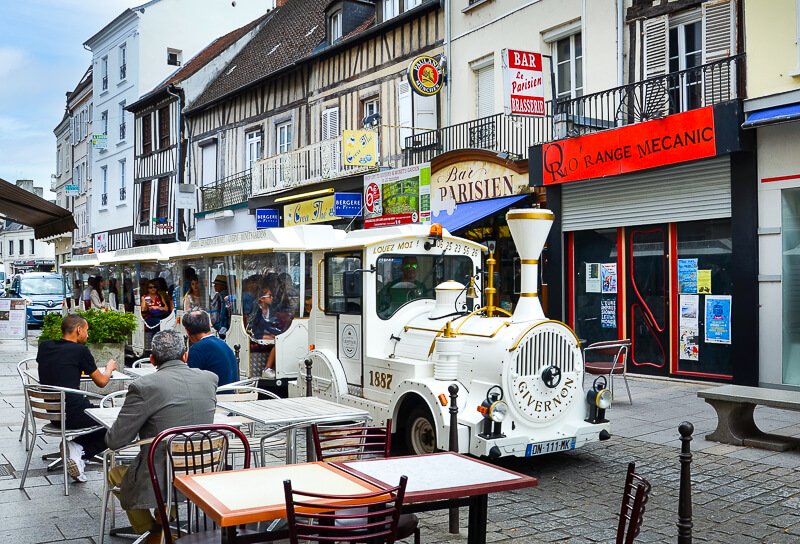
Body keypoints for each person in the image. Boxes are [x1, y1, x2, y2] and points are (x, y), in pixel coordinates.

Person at [105, 330, 217, 542]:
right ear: (185, 356)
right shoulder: (210, 379)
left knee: (115, 473)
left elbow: (115, 441)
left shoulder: (144, 386)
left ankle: (152, 532)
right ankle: (162, 519)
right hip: (204, 471)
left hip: (161, 476)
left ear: (152, 360)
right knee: (170, 459)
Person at [36, 314, 118, 482]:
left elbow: (58, 368)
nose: (87, 335)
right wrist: (109, 368)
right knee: (120, 422)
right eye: (86, 330)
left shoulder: (44, 347)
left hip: (54, 415)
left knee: (102, 414)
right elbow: (102, 382)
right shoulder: (80, 351)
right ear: (78, 330)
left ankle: (78, 453)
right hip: (74, 415)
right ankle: (80, 449)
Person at [181, 310, 239, 386]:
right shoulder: (223, 343)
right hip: (232, 394)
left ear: (187, 331)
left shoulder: (197, 349)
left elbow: (190, 383)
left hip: (216, 395)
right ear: (209, 325)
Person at [247, 287, 283, 379]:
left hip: (264, 332)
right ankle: (267, 368)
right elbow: (257, 326)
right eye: (270, 296)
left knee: (279, 338)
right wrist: (274, 334)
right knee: (278, 341)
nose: (272, 298)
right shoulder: (256, 310)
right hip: (255, 333)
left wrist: (278, 332)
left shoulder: (271, 309)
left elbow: (271, 324)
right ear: (262, 298)